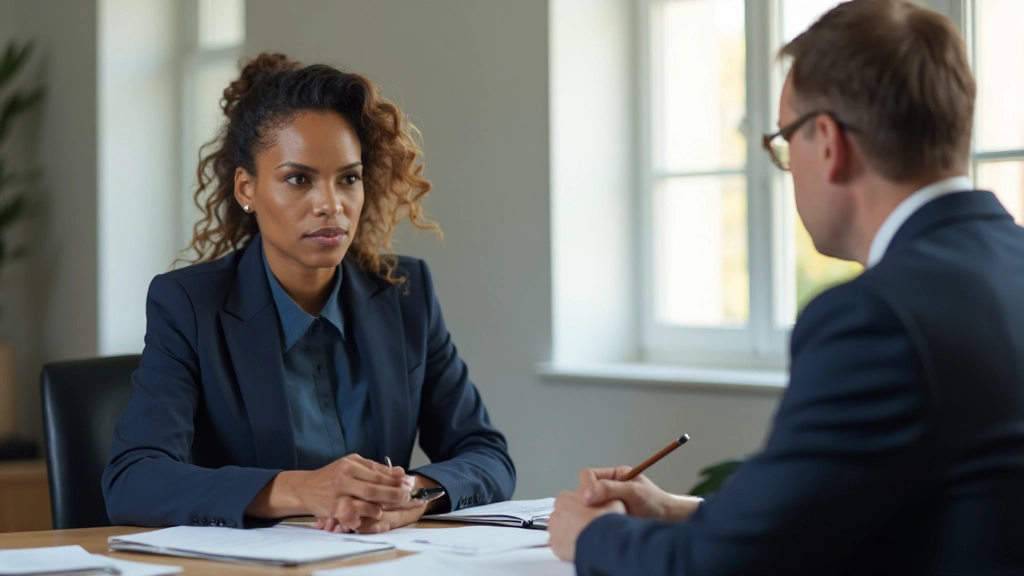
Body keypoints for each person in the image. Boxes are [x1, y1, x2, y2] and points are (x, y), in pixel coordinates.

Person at [548, 1, 1024, 573]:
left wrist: (590, 537)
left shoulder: (876, 319)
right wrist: (676, 511)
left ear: (827, 141)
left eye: (783, 140)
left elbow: (726, 567)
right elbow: (912, 511)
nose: (787, 167)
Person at [102, 53, 515, 533]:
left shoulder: (405, 294)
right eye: (299, 179)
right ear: (246, 189)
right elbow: (133, 479)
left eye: (349, 179)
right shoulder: (190, 305)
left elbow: (487, 455)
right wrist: (302, 489)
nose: (330, 205)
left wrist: (414, 495)